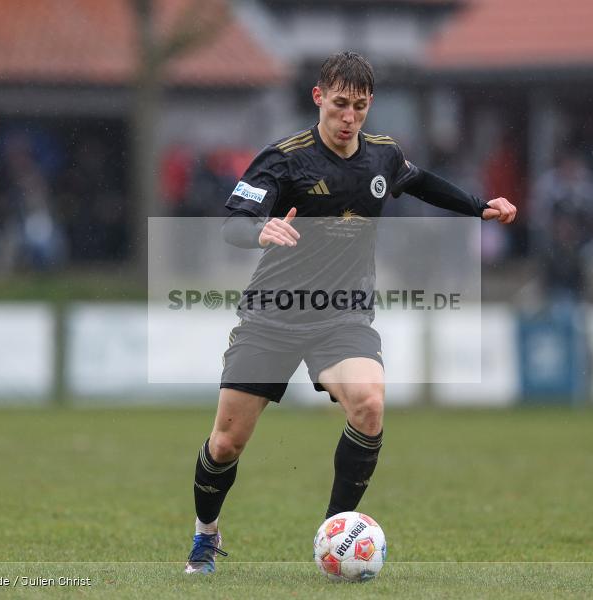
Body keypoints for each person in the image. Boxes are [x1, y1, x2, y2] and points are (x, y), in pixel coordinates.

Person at [184, 52, 516, 574]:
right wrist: (260, 229)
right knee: (226, 443)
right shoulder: (285, 158)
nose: (349, 117)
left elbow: (421, 181)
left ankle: (334, 535)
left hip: (342, 316)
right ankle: (205, 536)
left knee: (369, 405)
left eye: (359, 107)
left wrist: (478, 206)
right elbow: (233, 223)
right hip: (273, 315)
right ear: (318, 97)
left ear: (369, 105)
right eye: (340, 104)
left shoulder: (383, 155)